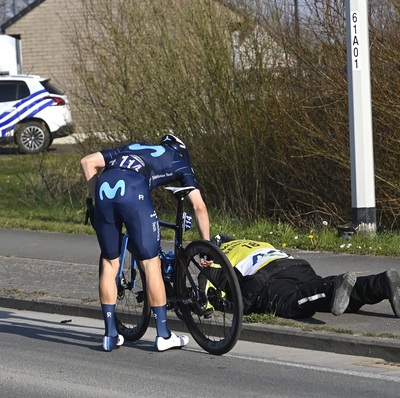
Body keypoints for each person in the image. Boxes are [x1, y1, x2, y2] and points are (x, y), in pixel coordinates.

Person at [81, 134, 210, 352]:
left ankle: (110, 335)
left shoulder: (133, 147)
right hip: (133, 192)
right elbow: (199, 207)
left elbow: (87, 162)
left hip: (104, 190)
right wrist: (207, 247)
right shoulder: (179, 159)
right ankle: (163, 335)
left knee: (109, 263)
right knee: (151, 264)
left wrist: (97, 202)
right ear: (182, 150)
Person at [210, 235, 400, 319]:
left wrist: (234, 306)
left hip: (268, 278)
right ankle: (380, 283)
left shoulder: (219, 257)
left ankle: (332, 287)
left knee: (292, 303)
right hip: (296, 266)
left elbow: (213, 291)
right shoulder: (255, 243)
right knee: (321, 297)